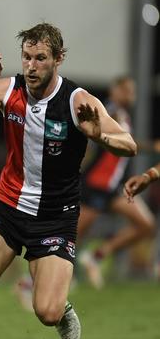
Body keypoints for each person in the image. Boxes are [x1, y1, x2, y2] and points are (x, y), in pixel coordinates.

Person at [0, 23, 137, 339]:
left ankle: (62, 310)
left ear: (58, 58)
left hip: (55, 217)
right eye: (27, 57)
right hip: (7, 206)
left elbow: (129, 144)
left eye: (41, 58)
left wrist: (97, 135)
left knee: (47, 312)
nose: (31, 66)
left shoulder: (76, 101)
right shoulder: (8, 89)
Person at [77, 76, 155, 289]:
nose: (131, 95)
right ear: (115, 91)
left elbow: (125, 142)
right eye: (127, 90)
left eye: (133, 91)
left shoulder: (123, 115)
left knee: (146, 225)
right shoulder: (109, 111)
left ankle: (96, 256)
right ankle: (32, 282)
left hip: (113, 187)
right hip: (96, 185)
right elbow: (99, 139)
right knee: (71, 238)